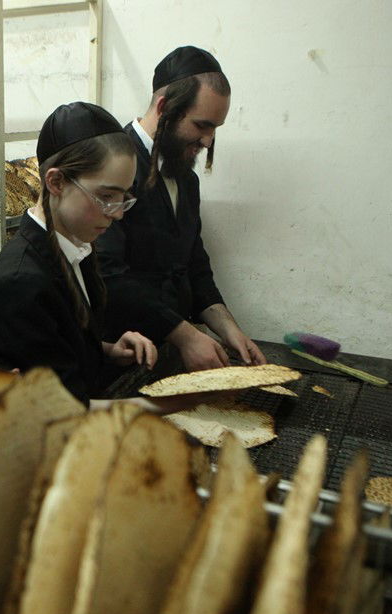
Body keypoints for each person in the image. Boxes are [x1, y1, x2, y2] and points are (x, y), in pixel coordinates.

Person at [0, 102, 163, 408]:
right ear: (56, 182)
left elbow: (56, 345)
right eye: (106, 197)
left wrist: (107, 350)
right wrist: (165, 406)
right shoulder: (21, 283)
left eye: (123, 199)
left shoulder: (76, 245)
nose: (117, 214)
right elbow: (61, 410)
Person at [96, 46, 267, 371]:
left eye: (215, 128)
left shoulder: (186, 179)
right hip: (120, 354)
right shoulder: (113, 166)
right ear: (164, 107)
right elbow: (107, 274)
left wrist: (230, 330)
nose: (208, 140)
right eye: (202, 125)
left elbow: (194, 265)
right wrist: (186, 336)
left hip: (168, 351)